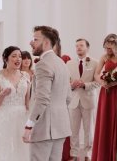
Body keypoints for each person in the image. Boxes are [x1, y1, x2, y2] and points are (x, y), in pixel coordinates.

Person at [23, 26, 72, 161]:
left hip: (44, 128)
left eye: (35, 39)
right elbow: (68, 97)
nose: (31, 43)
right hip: (60, 126)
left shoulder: (43, 64)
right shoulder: (61, 63)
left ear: (46, 43)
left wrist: (29, 125)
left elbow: (42, 99)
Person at [92, 34, 117, 161]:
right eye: (106, 48)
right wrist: (102, 82)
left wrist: (116, 82)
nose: (107, 50)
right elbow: (96, 74)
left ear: (116, 45)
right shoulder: (104, 57)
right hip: (106, 92)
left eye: (110, 48)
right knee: (105, 119)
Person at [67, 38, 99, 161]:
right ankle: (74, 155)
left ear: (87, 48)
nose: (78, 48)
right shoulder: (69, 64)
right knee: (73, 130)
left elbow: (98, 82)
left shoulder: (95, 63)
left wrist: (85, 85)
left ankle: (88, 154)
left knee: (89, 130)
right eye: (77, 46)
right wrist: (72, 85)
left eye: (81, 45)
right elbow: (66, 83)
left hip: (88, 100)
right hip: (74, 101)